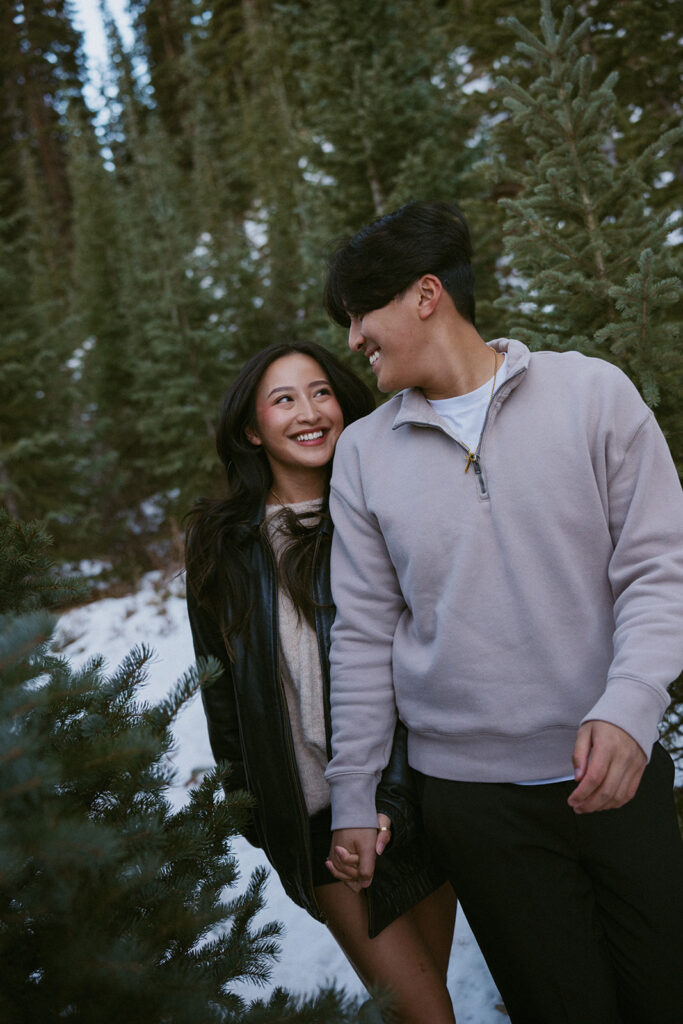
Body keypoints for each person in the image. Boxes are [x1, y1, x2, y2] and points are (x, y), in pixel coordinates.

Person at [321, 201, 683, 1024]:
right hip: (474, 805)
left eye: (359, 313)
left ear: (425, 295)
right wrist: (353, 794)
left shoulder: (591, 393)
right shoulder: (363, 455)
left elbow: (660, 567)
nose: (352, 338)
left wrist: (631, 705)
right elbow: (363, 636)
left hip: (619, 774)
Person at [184, 341, 457, 1024]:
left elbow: (422, 662)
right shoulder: (223, 545)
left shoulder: (379, 512)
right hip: (318, 826)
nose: (308, 412)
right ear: (252, 429)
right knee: (424, 1013)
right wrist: (254, 809)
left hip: (414, 798)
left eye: (321, 392)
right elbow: (221, 691)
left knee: (427, 1003)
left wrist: (392, 801)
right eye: (283, 400)